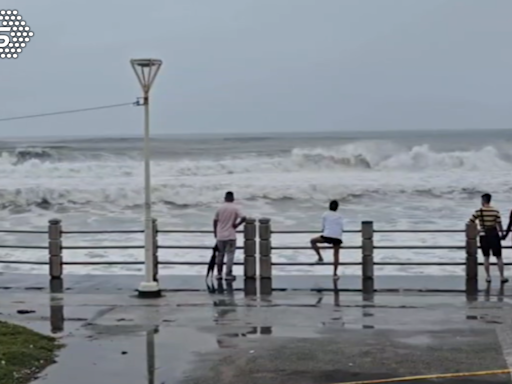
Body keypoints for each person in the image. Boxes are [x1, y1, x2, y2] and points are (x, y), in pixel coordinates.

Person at [468, 193, 508, 284]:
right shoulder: (495, 211)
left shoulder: (478, 211)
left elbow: (470, 222)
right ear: (489, 200)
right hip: (494, 234)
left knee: (486, 257)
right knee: (499, 257)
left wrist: (477, 230)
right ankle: (502, 277)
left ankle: (488, 277)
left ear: (483, 201)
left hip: (483, 235)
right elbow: (499, 224)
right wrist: (502, 233)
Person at [213, 191, 246, 281]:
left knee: (220, 255)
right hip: (231, 235)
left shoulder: (220, 208)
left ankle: (219, 274)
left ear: (225, 198)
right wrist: (236, 225)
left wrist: (215, 232)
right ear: (233, 198)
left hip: (220, 235)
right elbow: (244, 217)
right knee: (230, 255)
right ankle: (228, 274)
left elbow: (215, 221)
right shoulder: (235, 208)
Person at [310, 200, 344, 280]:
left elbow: (323, 227)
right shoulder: (340, 216)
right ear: (337, 208)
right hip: (337, 237)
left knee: (313, 241)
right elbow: (341, 227)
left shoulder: (325, 214)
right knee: (336, 255)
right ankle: (335, 274)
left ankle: (320, 257)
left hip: (327, 236)